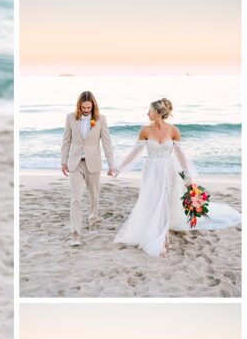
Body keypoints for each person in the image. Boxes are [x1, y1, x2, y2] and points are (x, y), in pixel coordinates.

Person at [111, 98, 241, 257]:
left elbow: (180, 155)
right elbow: (134, 153)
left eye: (150, 111)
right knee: (153, 201)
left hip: (168, 170)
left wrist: (188, 177)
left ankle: (163, 236)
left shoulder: (174, 130)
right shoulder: (145, 130)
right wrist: (118, 168)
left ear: (158, 113)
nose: (147, 114)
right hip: (151, 171)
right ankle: (157, 232)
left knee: (165, 201)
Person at [60, 91, 117, 246]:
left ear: (93, 106)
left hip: (93, 163)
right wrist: (63, 161)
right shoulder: (70, 118)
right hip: (75, 163)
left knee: (93, 196)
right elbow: (66, 140)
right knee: (76, 199)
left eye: (88, 107)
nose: (86, 110)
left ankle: (93, 222)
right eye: (83, 107)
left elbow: (107, 143)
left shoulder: (101, 119)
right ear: (79, 106)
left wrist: (111, 165)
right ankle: (75, 234)